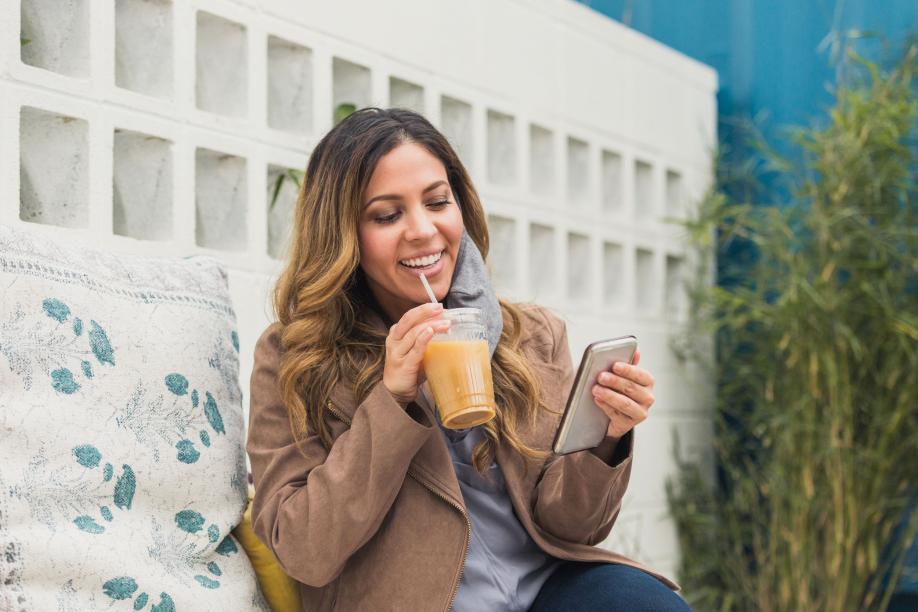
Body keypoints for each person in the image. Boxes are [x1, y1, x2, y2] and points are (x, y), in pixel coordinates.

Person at [246, 107, 691, 611]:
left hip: (547, 588)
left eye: (437, 202)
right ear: (345, 235)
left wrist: (605, 438)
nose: (422, 230)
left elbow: (572, 527)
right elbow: (304, 551)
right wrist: (391, 400)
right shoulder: (294, 356)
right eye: (387, 215)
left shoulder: (531, 335)